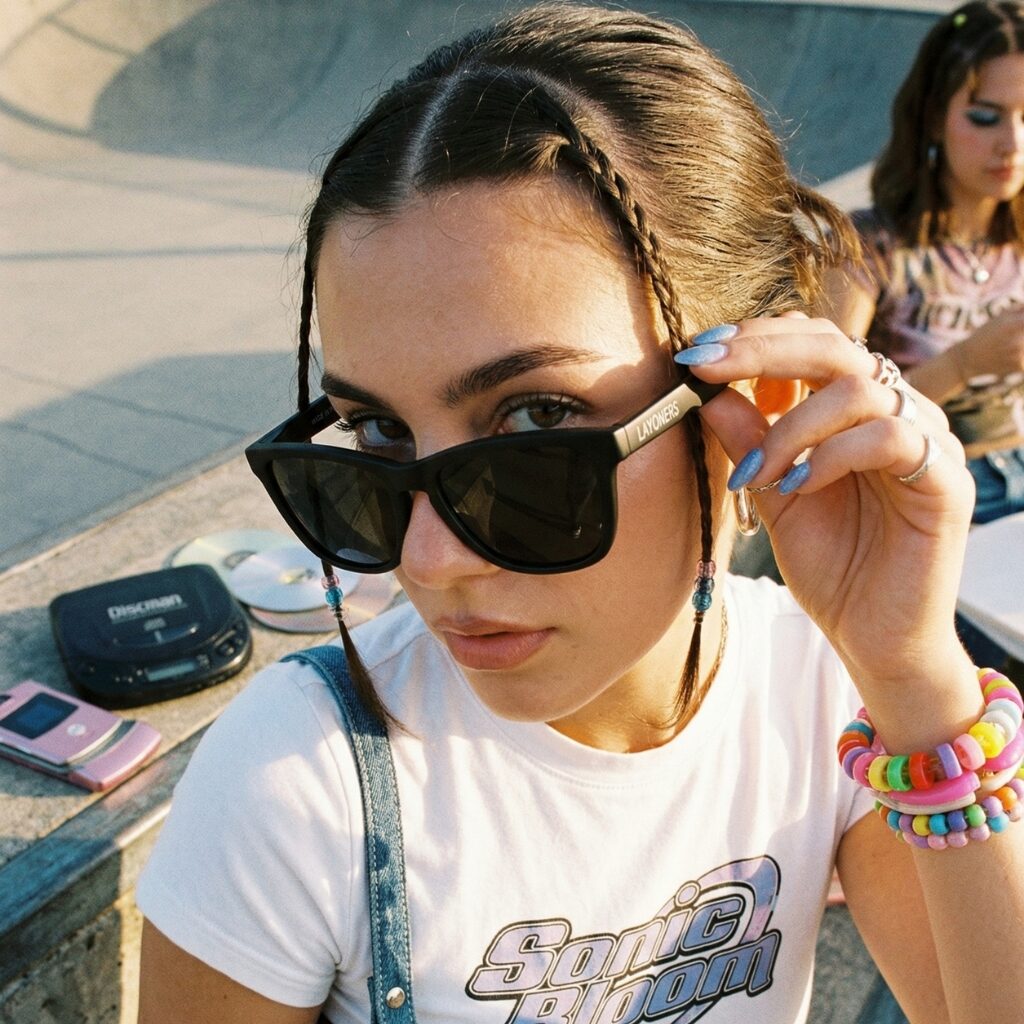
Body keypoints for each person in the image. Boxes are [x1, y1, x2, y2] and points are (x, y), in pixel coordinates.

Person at [134, 5, 1024, 1023]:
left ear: (753, 396)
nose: (428, 559)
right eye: (378, 434)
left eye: (536, 422)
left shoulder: (826, 694)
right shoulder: (300, 775)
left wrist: (916, 678)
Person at [819, 0, 1024, 527]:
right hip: (927, 490)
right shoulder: (870, 246)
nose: (1013, 143)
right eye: (985, 117)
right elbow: (827, 416)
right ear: (933, 118)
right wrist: (963, 364)